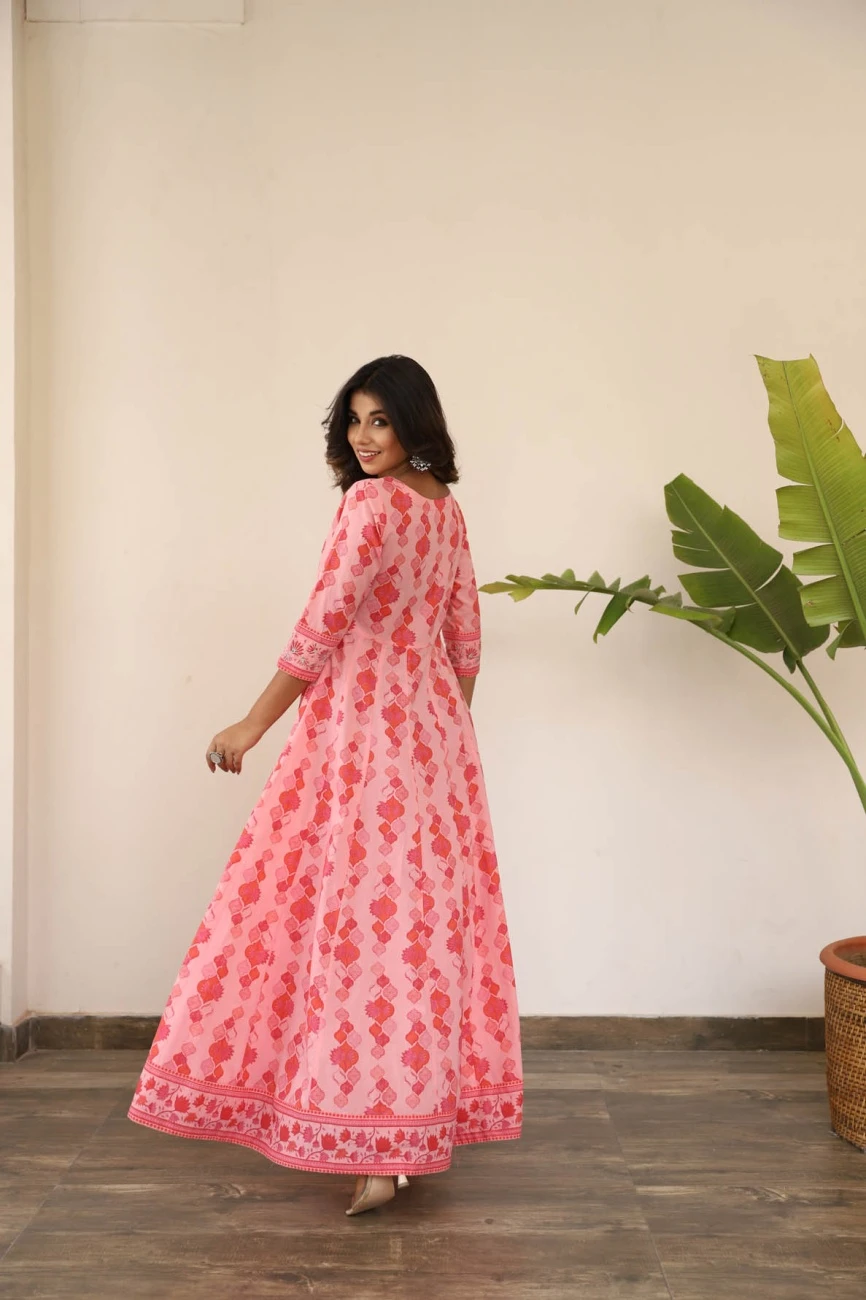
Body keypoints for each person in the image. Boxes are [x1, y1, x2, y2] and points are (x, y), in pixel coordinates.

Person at [127, 354, 523, 1216]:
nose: (364, 436)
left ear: (416, 423)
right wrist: (446, 734)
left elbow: (322, 623)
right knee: (411, 937)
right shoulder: (444, 509)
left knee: (344, 928)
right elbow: (465, 637)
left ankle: (371, 1147)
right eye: (354, 419)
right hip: (433, 744)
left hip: (359, 740)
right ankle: (398, 1140)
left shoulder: (371, 505)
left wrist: (251, 723)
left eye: (381, 419)